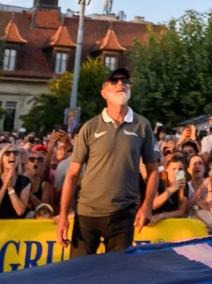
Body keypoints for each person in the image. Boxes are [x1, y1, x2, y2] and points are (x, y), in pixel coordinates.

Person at [56, 67, 159, 256]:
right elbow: (72, 175)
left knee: (117, 276)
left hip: (123, 215)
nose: (121, 83)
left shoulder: (142, 125)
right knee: (81, 275)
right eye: (114, 81)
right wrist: (63, 216)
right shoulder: (90, 127)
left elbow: (153, 170)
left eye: (125, 80)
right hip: (87, 214)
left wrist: (147, 206)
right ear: (104, 92)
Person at [0, 148, 31, 220]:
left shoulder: (25, 181)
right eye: (7, 153)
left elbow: (20, 211)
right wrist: (5, 185)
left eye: (15, 153)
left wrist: (10, 189)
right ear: (1, 160)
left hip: (17, 226)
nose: (12, 155)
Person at [150, 155, 192, 222]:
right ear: (167, 169)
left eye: (180, 169)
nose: (177, 172)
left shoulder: (184, 185)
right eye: (174, 169)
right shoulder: (159, 182)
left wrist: (162, 216)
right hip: (154, 220)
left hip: (171, 221)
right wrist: (172, 188)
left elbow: (181, 211)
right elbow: (154, 205)